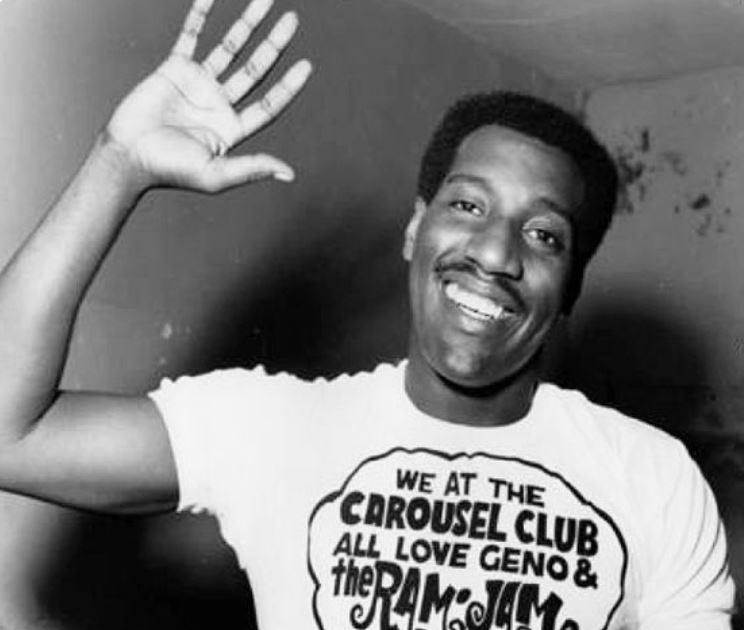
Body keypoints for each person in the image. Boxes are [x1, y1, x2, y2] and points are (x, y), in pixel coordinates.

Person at [0, 0, 734, 628]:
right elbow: (11, 439)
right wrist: (119, 163)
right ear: (417, 230)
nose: (494, 253)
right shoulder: (276, 428)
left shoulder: (653, 478)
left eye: (543, 235)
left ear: (569, 286)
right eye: (467, 205)